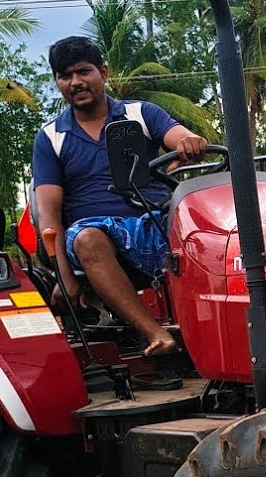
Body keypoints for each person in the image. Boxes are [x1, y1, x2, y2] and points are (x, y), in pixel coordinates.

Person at [32, 36, 207, 356]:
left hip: (154, 219)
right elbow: (48, 213)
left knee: (210, 225)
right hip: (95, 233)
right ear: (57, 82)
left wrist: (188, 141)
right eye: (65, 76)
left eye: (83, 72)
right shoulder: (51, 138)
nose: (75, 82)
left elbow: (179, 136)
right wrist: (63, 275)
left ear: (103, 72)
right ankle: (156, 335)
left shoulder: (141, 113)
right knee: (87, 239)